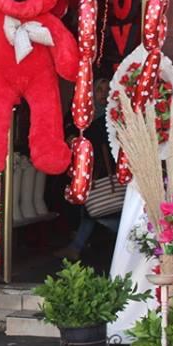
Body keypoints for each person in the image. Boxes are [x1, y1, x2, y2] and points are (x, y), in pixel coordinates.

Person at [56, 78, 120, 260]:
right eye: (99, 90)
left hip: (102, 173)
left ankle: (132, 242)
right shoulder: (82, 116)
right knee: (94, 211)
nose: (103, 94)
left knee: (99, 211)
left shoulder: (110, 117)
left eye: (107, 90)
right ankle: (76, 247)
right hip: (89, 172)